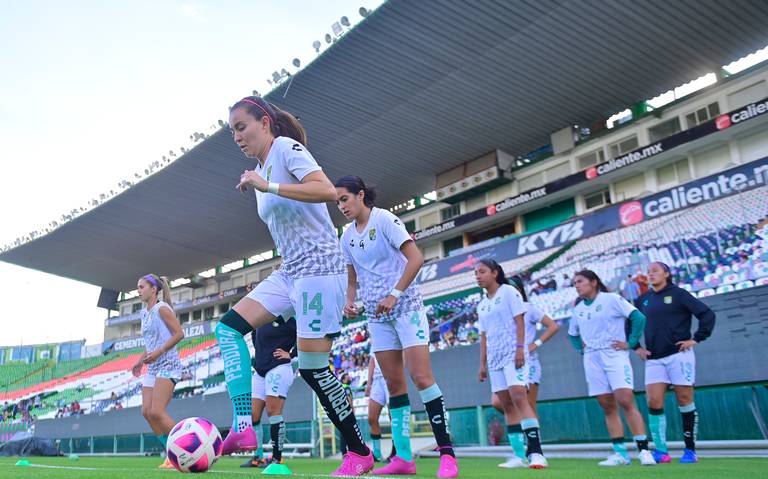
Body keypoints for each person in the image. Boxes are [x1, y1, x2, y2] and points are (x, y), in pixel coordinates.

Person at [216, 96, 372, 476]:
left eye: (241, 126)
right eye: (232, 131)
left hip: (321, 269)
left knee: (314, 370)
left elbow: (327, 191)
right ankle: (242, 427)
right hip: (291, 270)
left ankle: (359, 452)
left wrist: (268, 185)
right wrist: (262, 183)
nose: (236, 136)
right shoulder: (258, 171)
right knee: (227, 328)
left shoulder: (285, 149)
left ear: (265, 123)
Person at [336, 176, 458, 477]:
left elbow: (416, 258)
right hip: (377, 317)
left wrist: (395, 294)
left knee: (421, 377)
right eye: (337, 202)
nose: (340, 206)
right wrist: (349, 302)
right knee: (393, 385)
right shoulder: (346, 237)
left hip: (407, 309)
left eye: (344, 199)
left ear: (360, 195)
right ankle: (403, 458)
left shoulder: (385, 220)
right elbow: (352, 278)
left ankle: (447, 455)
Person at [567, 269, 656, 466]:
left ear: (593, 282)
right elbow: (572, 334)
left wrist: (631, 342)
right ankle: (620, 453)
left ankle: (644, 451)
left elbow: (638, 317)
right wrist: (581, 350)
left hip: (614, 354)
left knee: (625, 400)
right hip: (592, 358)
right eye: (575, 283)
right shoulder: (579, 308)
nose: (577, 285)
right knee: (607, 405)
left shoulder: (611, 299)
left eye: (580, 281)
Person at [634, 262, 716, 464]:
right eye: (649, 271)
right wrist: (636, 347)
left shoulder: (679, 294)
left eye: (655, 270)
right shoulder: (643, 300)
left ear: (666, 274)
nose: (651, 274)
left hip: (679, 355)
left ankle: (690, 451)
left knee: (684, 400)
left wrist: (696, 338)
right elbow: (630, 323)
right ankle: (661, 452)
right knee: (653, 402)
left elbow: (707, 314)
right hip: (654, 359)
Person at [475, 259, 548, 469]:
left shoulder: (509, 292)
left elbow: (519, 322)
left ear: (495, 273)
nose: (478, 276)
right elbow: (484, 337)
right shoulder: (482, 305)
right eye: (476, 273)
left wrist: (519, 348)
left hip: (512, 353)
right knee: (506, 404)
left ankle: (536, 452)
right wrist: (482, 365)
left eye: (482, 272)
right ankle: (518, 455)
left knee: (519, 397)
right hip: (494, 359)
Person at [130, 274, 184, 469]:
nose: (138, 290)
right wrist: (139, 361)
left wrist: (159, 352)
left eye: (141, 286)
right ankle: (171, 454)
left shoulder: (162, 309)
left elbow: (180, 334)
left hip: (168, 364)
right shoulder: (144, 313)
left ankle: (188, 446)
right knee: (146, 412)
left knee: (157, 411)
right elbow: (150, 342)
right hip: (153, 367)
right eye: (138, 287)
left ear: (154, 289)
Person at [241, 316, 297, 470]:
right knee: (253, 415)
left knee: (273, 411)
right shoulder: (261, 314)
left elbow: (305, 333)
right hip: (260, 370)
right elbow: (256, 338)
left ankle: (277, 460)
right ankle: (258, 457)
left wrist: (292, 354)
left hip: (279, 367)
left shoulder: (289, 314)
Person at [365, 354, 397, 463]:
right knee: (372, 418)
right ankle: (377, 454)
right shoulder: (375, 339)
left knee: (394, 417)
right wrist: (369, 383)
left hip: (390, 376)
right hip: (377, 380)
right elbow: (372, 361)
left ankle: (396, 451)